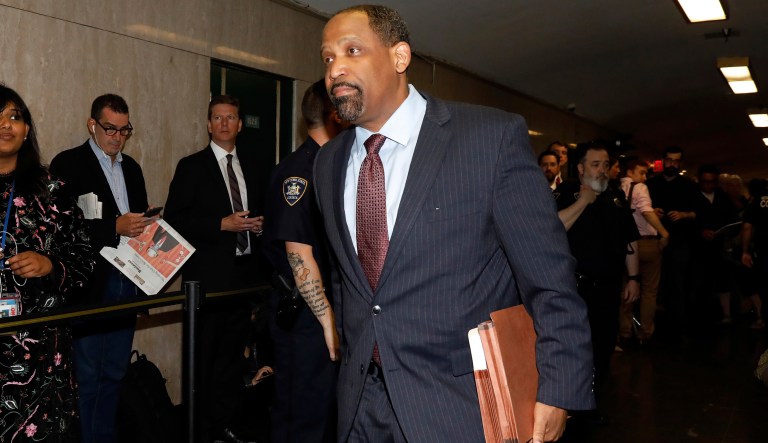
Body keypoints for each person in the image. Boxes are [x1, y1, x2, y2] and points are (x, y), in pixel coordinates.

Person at [316, 5, 594, 443]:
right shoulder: (329, 162)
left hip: (461, 403)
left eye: (352, 50)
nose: (336, 69)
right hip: (361, 404)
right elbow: (347, 279)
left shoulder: (489, 138)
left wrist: (559, 389)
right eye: (328, 58)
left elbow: (549, 278)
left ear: (399, 57)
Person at [50, 93, 154, 443]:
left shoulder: (133, 168)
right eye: (110, 128)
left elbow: (135, 222)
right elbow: (60, 229)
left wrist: (149, 225)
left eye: (125, 130)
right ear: (91, 124)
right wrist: (114, 226)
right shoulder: (68, 164)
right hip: (91, 282)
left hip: (128, 276)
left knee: (115, 371)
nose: (117, 137)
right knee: (89, 373)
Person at [164, 94, 265, 443]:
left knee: (231, 362)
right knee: (204, 362)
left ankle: (227, 426)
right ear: (208, 125)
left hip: (243, 280)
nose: (224, 123)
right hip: (205, 283)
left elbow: (262, 212)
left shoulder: (253, 165)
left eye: (231, 117)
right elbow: (174, 220)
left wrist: (259, 226)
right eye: (217, 118)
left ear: (239, 125)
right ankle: (203, 431)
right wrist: (220, 225)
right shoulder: (191, 166)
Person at [0, 84, 95, 441]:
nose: (6, 125)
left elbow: (84, 259)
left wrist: (50, 264)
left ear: (26, 131)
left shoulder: (51, 191)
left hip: (40, 353)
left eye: (14, 116)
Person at [262, 80, 345, 443]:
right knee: (304, 416)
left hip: (324, 311)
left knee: (324, 411)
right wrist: (327, 318)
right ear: (334, 117)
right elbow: (299, 255)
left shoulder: (329, 165)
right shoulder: (300, 173)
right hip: (306, 316)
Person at [554, 143, 639, 412]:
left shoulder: (616, 198)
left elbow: (629, 240)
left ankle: (594, 403)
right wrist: (583, 201)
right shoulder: (566, 193)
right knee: (574, 350)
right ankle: (568, 404)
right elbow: (551, 229)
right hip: (574, 288)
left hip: (608, 287)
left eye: (605, 165)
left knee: (603, 348)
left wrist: (634, 277)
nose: (602, 171)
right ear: (580, 168)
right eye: (595, 165)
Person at [646, 146, 699, 336]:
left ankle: (677, 322)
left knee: (677, 280)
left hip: (679, 239)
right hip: (655, 239)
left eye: (676, 161)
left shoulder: (689, 186)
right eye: (669, 160)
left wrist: (684, 214)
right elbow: (641, 209)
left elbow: (698, 213)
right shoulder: (651, 185)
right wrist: (653, 212)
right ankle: (651, 322)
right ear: (663, 161)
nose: (672, 164)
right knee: (654, 283)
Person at [617, 157, 669, 345]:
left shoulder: (616, 189)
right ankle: (645, 332)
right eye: (641, 172)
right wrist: (664, 233)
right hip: (646, 243)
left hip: (626, 246)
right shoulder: (640, 187)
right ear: (630, 172)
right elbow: (646, 212)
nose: (644, 177)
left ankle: (624, 331)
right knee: (649, 291)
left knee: (626, 288)